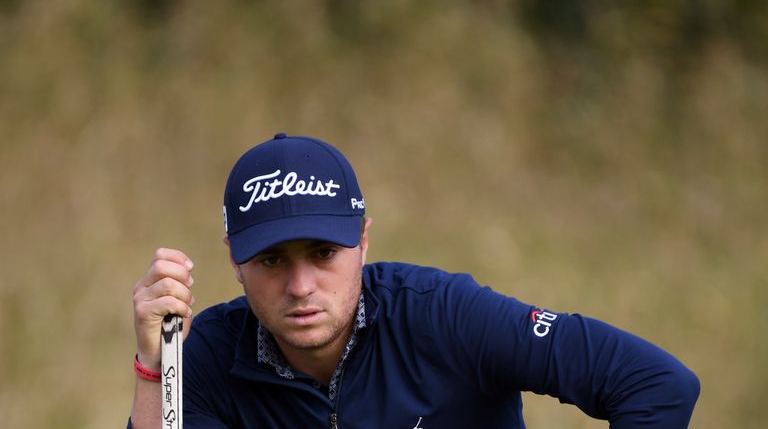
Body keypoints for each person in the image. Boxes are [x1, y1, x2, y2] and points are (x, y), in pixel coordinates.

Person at [129, 133, 700, 428]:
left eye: (324, 253)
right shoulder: (201, 355)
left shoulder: (444, 315)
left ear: (364, 242)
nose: (301, 285)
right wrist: (159, 370)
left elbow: (655, 384)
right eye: (273, 261)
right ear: (235, 260)